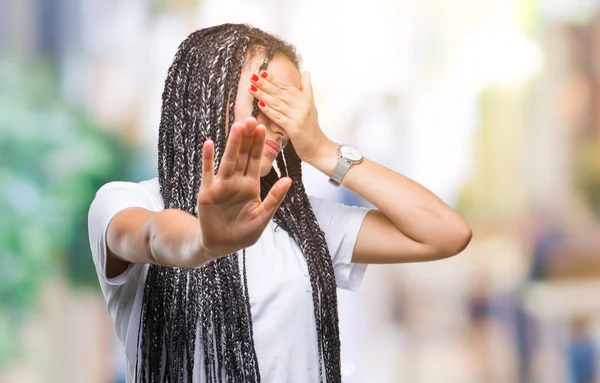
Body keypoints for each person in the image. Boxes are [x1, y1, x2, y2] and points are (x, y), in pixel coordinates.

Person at [87, 23, 472, 383]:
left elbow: (446, 233)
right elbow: (154, 236)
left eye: (290, 106)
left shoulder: (303, 224)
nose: (280, 121)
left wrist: (323, 149)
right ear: (205, 94)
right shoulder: (126, 201)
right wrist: (205, 241)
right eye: (264, 99)